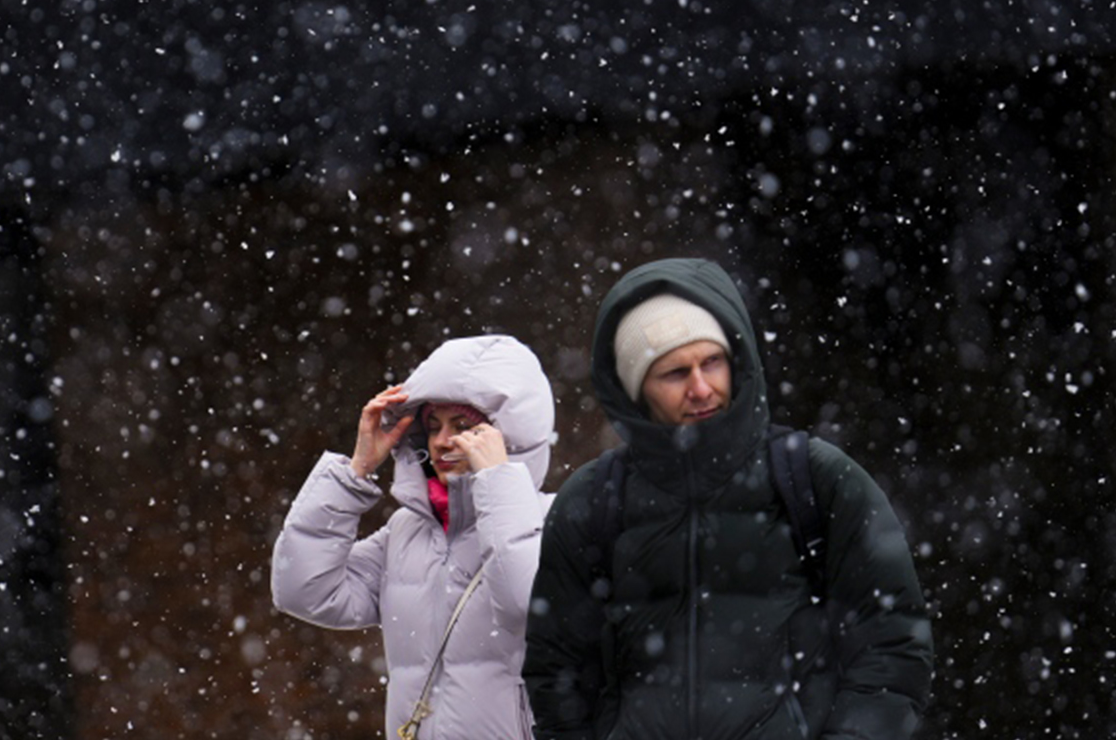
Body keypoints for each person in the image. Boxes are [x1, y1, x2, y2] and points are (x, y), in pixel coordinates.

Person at [523, 257, 933, 739]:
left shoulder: (814, 479)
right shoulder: (593, 501)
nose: (702, 388)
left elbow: (892, 645)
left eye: (712, 362)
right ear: (636, 392)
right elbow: (558, 672)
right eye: (675, 373)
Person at [272, 334, 557, 740]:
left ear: (509, 435)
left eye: (464, 426)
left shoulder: (553, 521)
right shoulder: (405, 533)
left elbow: (522, 603)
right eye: (432, 426)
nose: (443, 441)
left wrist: (498, 481)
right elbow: (302, 591)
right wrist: (355, 472)